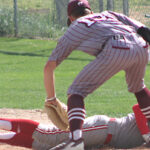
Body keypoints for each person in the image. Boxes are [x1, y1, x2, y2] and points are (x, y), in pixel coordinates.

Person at [43, 0, 150, 149]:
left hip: (116, 47)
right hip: (142, 46)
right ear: (91, 11)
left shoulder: (75, 28)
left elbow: (49, 67)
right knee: (139, 88)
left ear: (71, 18)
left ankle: (75, 141)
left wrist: (51, 98)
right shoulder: (108, 14)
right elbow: (144, 30)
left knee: (76, 92)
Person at [0, 104, 150, 150]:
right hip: (104, 128)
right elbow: (138, 108)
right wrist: (147, 136)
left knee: (43, 145)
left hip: (103, 143)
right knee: (50, 135)